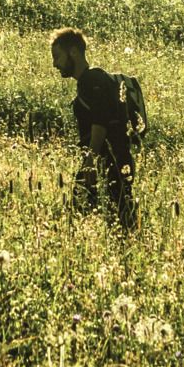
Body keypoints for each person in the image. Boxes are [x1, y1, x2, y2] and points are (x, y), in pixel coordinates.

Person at [49, 27, 136, 228]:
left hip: (105, 161)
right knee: (119, 217)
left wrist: (90, 158)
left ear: (73, 52)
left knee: (82, 213)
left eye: (57, 57)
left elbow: (100, 121)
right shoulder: (95, 79)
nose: (55, 64)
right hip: (116, 158)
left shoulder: (91, 81)